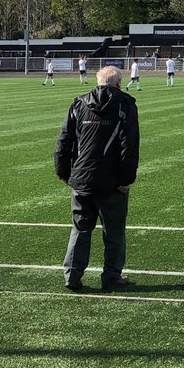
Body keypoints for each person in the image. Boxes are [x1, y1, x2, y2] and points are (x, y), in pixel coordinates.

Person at [54, 65, 139, 292]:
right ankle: (111, 277)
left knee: (80, 229)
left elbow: (64, 140)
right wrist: (126, 179)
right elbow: (129, 146)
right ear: (119, 83)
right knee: (113, 232)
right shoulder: (125, 105)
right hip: (111, 182)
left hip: (81, 180)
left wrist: (64, 172)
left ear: (98, 82)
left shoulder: (79, 103)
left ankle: (72, 276)